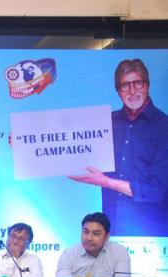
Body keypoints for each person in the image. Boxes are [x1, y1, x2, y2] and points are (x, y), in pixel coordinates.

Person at [69, 59, 168, 236]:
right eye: (125, 86)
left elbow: (156, 190)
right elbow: (71, 147)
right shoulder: (105, 123)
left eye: (137, 83)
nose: (132, 91)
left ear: (147, 86)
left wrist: (106, 182)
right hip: (109, 225)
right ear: (118, 91)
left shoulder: (163, 126)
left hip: (151, 230)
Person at [55, 212, 131, 277]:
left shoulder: (119, 252)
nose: (89, 238)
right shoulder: (69, 254)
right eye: (86, 232)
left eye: (96, 234)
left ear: (107, 236)